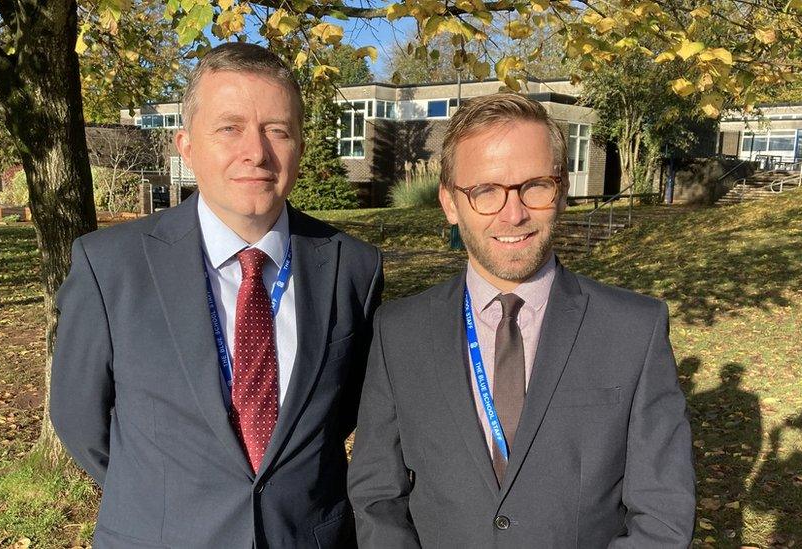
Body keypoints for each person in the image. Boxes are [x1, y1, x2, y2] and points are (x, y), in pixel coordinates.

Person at [51, 42, 382, 548]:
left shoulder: (352, 267)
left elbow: (346, 412)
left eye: (278, 130)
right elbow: (79, 418)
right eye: (229, 128)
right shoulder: (110, 266)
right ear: (186, 146)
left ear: (299, 145)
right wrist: (168, 495)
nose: (256, 152)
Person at [348, 93, 694, 548]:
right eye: (485, 191)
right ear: (451, 203)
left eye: (535, 185)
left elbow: (663, 515)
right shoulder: (399, 332)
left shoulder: (634, 329)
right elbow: (377, 497)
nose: (514, 214)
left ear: (562, 191)